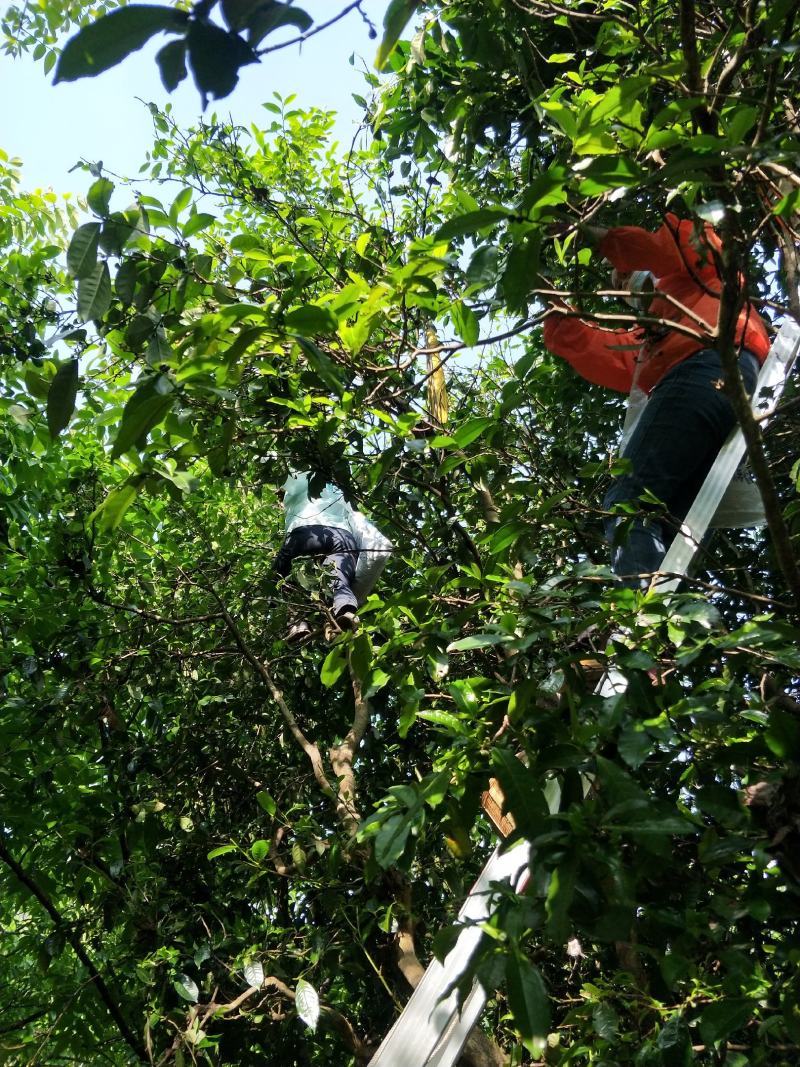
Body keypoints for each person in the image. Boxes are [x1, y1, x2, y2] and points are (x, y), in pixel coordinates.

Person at [542, 212, 771, 588]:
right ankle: (673, 627)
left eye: (628, 275)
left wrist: (594, 235)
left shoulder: (706, 278)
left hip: (708, 365)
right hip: (712, 381)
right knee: (663, 525)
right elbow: (597, 351)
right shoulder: (656, 339)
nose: (625, 280)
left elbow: (673, 248)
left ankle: (646, 627)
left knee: (628, 503)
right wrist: (550, 304)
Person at [273, 472, 392, 639]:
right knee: (339, 581)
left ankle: (297, 623)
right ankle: (345, 614)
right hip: (342, 538)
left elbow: (281, 469)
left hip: (305, 533)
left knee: (282, 579)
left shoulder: (304, 480)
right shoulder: (341, 494)